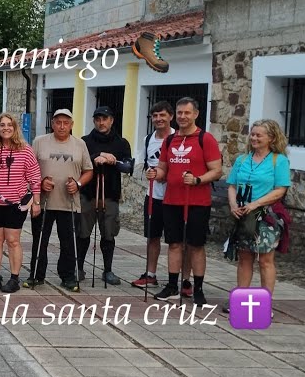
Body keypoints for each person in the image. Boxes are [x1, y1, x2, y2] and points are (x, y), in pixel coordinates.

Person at [147, 97, 222, 308]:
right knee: (174, 244)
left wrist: (198, 180)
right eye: (179, 113)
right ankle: (172, 285)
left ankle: (197, 288)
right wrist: (154, 173)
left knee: (196, 245)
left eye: (187, 113)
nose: (182, 116)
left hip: (197, 201)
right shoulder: (169, 140)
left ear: (196, 114)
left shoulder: (205, 139)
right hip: (172, 200)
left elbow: (217, 170)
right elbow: (163, 169)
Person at [224, 119, 292, 313]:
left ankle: (264, 304)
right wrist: (233, 204)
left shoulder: (278, 161)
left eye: (258, 135)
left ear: (271, 138)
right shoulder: (242, 160)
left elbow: (280, 190)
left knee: (265, 260)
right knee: (245, 258)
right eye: (252, 134)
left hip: (266, 215)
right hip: (244, 215)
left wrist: (256, 203)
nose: (254, 138)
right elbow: (232, 185)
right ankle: (241, 299)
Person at [25, 109, 93, 292]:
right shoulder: (39, 142)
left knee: (69, 241)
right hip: (43, 201)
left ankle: (68, 276)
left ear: (71, 125)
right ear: (52, 123)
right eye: (58, 122)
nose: (62, 126)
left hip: (70, 201)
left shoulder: (80, 144)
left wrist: (78, 184)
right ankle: (36, 275)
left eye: (66, 122)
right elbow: (29, 169)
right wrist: (40, 182)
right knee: (40, 240)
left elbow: (89, 170)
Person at [0, 113, 41, 293]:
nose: (6, 128)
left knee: (13, 241)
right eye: (2, 125)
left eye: (9, 125)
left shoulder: (25, 150)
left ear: (15, 128)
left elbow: (34, 177)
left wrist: (36, 201)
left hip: (16, 204)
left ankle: (14, 278)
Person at [131, 101, 192, 292]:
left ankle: (185, 280)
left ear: (171, 116)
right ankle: (150, 274)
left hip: (176, 197)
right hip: (154, 195)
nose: (158, 119)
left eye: (162, 115)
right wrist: (148, 172)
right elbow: (142, 164)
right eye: (155, 116)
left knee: (180, 240)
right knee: (152, 237)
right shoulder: (148, 139)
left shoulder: (179, 138)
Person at [79, 106, 133, 285]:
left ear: (111, 120)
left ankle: (108, 270)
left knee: (108, 234)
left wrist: (113, 160)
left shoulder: (121, 142)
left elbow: (127, 166)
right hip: (88, 194)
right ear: (94, 121)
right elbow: (79, 161)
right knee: (83, 233)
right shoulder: (85, 141)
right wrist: (98, 155)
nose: (101, 123)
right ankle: (79, 268)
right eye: (98, 119)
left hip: (109, 195)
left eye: (105, 119)